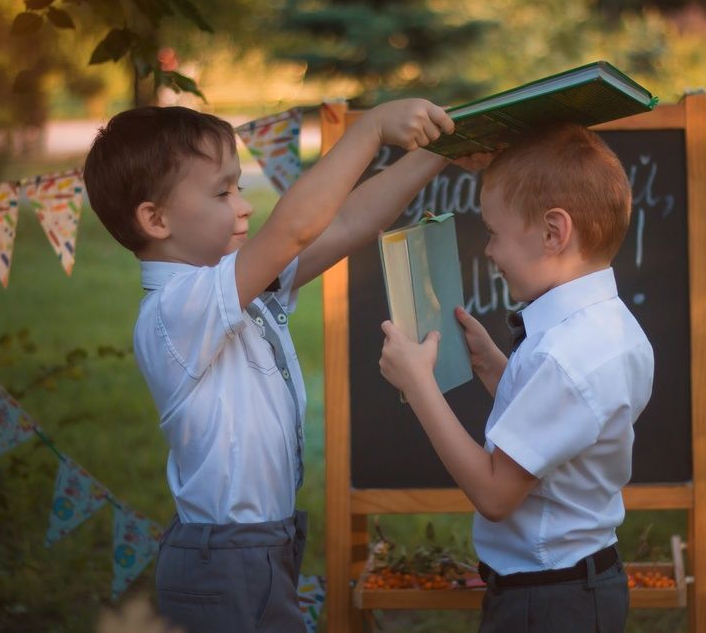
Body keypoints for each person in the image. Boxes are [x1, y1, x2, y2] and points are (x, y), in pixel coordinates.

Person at [83, 100, 486, 633]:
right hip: (224, 559)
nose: (244, 206)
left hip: (261, 544)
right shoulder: (175, 311)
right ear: (155, 219)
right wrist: (370, 130)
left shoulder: (232, 283)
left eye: (239, 187)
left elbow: (346, 222)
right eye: (222, 192)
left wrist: (440, 153)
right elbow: (293, 230)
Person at [378, 123, 654, 633]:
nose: (489, 252)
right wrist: (490, 365)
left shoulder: (568, 359)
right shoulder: (606, 327)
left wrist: (418, 386)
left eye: (494, 233)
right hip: (569, 588)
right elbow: (563, 426)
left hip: (550, 604)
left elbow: (495, 494)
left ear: (553, 232)